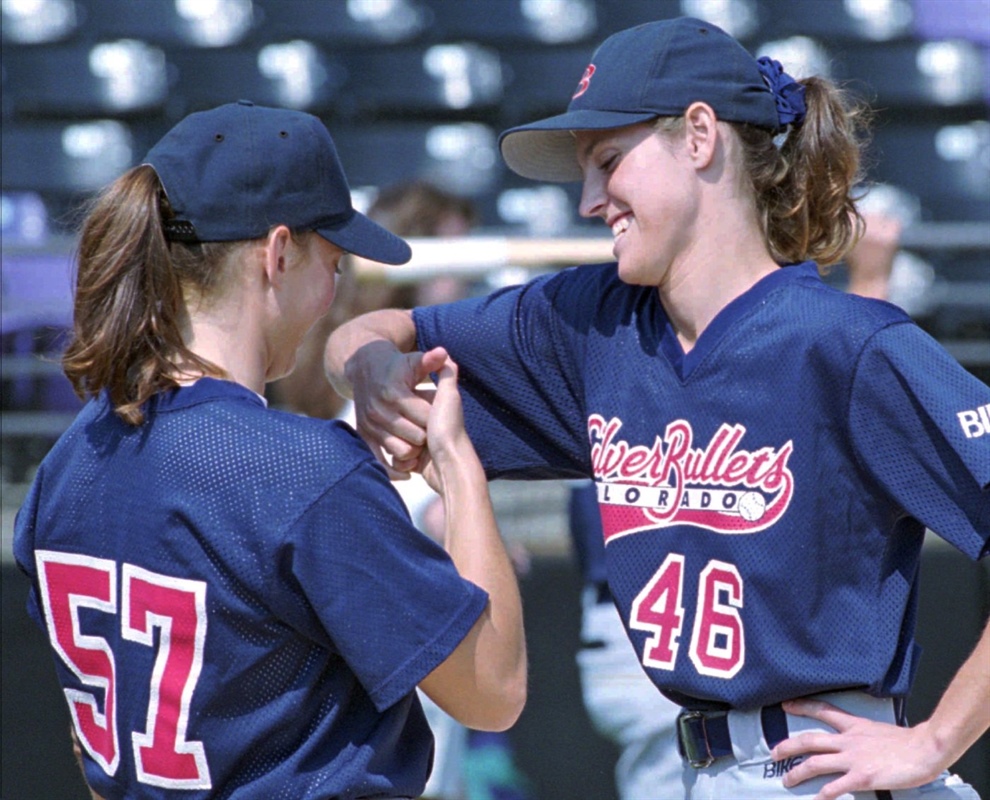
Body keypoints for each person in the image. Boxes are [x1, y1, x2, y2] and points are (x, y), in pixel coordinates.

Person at [324, 17, 990, 800]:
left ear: (700, 136)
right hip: (693, 767)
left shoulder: (848, 344)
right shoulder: (595, 320)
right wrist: (367, 372)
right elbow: (374, 328)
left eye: (608, 162)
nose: (587, 200)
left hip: (821, 769)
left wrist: (937, 739)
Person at [12, 101, 526, 800]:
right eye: (334, 262)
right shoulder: (300, 471)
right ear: (279, 253)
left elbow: (92, 744)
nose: (334, 290)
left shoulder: (68, 465)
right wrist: (461, 472)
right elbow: (493, 689)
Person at [270, 179, 533, 800]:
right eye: (451, 257)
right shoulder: (349, 392)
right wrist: (456, 516)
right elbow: (496, 690)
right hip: (396, 665)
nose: (464, 278)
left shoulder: (327, 372)